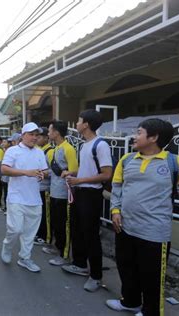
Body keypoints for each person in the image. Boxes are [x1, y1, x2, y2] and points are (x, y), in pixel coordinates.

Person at [106, 118, 179, 316]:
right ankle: (130, 302)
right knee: (126, 267)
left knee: (152, 276)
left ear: (153, 137)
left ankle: (151, 311)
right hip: (125, 227)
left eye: (139, 132)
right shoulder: (127, 159)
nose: (134, 136)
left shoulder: (174, 162)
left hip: (154, 232)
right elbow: (117, 187)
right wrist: (115, 211)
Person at [65, 109, 113, 292]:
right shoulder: (86, 144)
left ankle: (96, 276)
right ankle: (79, 264)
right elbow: (87, 170)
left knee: (91, 235)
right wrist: (72, 174)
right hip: (80, 192)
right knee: (78, 230)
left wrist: (80, 180)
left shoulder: (100, 145)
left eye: (78, 121)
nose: (76, 124)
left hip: (91, 195)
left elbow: (106, 174)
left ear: (86, 124)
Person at [0, 123, 48, 273]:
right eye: (31, 134)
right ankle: (7, 247)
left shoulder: (40, 152)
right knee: (15, 229)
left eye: (37, 135)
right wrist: (26, 172)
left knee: (29, 233)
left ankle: (24, 257)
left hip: (34, 198)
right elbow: (4, 169)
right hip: (16, 197)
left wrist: (42, 174)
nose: (34, 137)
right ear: (23, 135)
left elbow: (45, 171)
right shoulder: (13, 151)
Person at [43, 121, 78, 267]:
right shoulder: (57, 148)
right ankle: (58, 248)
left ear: (57, 132)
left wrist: (67, 172)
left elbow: (75, 170)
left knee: (64, 225)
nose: (48, 133)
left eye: (50, 131)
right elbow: (54, 171)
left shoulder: (68, 148)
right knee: (57, 223)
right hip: (55, 191)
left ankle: (64, 255)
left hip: (64, 193)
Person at [35, 127, 54, 246]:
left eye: (40, 136)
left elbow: (53, 171)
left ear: (47, 138)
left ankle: (46, 237)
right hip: (38, 188)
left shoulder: (50, 151)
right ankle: (40, 233)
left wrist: (41, 173)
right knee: (40, 213)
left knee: (45, 214)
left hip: (46, 188)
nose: (36, 138)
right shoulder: (39, 150)